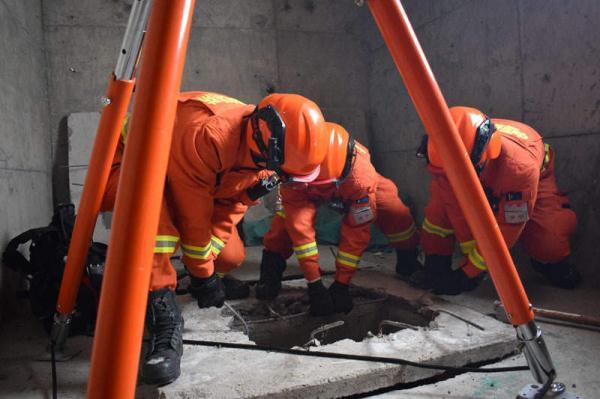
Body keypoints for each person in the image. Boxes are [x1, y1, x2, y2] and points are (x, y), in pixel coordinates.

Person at [101, 91, 329, 385]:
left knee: (231, 256)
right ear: (268, 144)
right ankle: (163, 313)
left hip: (180, 176)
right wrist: (202, 275)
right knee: (155, 219)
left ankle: (194, 279)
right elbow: (191, 215)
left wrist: (208, 272)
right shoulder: (206, 136)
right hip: (127, 165)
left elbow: (233, 205)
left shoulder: (266, 157)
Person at [412, 106, 580, 295]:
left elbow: (509, 226)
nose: (452, 181)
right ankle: (435, 263)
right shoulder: (445, 160)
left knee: (549, 241)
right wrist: (447, 263)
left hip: (532, 175)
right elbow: (455, 209)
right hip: (480, 168)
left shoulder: (519, 169)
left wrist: (470, 273)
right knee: (437, 215)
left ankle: (551, 264)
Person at [257, 122, 419, 316]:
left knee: (393, 210)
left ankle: (408, 260)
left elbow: (356, 234)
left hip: (348, 184)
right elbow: (300, 230)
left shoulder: (360, 178)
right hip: (303, 186)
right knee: (286, 223)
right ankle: (270, 270)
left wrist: (341, 284)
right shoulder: (294, 167)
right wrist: (314, 283)